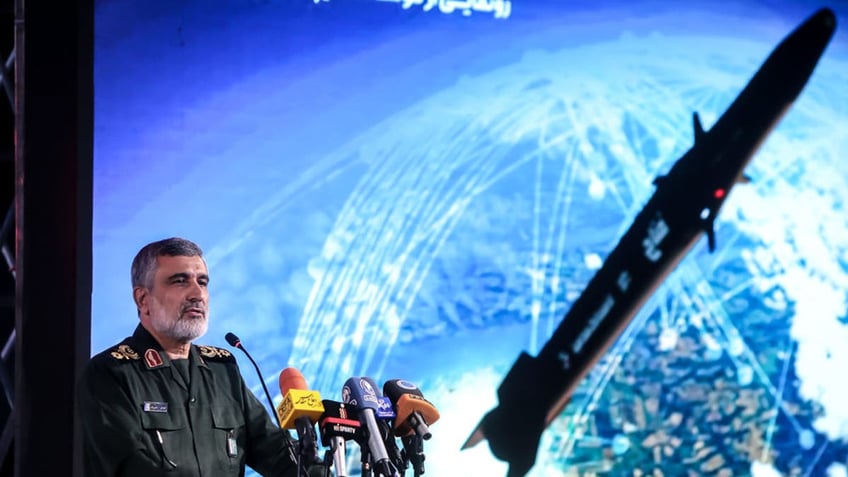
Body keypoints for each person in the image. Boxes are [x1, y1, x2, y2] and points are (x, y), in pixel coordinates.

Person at [77, 237, 315, 477]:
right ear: (143, 299)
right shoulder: (110, 373)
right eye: (180, 281)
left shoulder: (222, 370)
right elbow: (130, 467)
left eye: (202, 282)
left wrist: (319, 461)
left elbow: (277, 453)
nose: (197, 293)